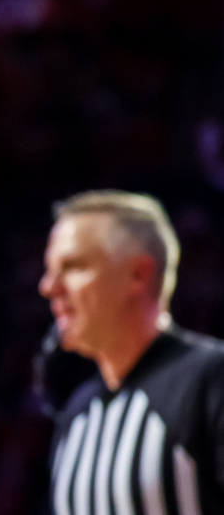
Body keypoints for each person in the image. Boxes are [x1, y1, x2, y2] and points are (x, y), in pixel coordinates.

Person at [39, 191, 224, 515]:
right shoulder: (78, 414)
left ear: (138, 274)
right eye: (50, 270)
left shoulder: (210, 379)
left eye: (73, 266)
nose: (49, 286)